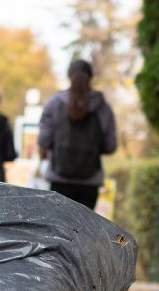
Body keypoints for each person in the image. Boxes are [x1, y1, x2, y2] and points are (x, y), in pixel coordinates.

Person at [38, 59, 117, 209]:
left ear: (69, 76)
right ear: (91, 77)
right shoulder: (103, 108)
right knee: (83, 224)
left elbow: (44, 141)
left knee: (58, 223)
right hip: (90, 182)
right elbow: (110, 146)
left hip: (59, 179)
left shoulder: (54, 104)